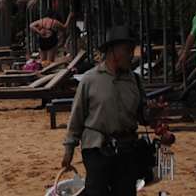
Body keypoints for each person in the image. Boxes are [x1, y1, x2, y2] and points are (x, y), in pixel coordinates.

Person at [61, 26, 148, 196]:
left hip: (127, 149)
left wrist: (153, 113)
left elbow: (143, 116)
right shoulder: (90, 80)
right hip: (97, 149)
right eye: (127, 50)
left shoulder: (135, 80)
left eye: (132, 50)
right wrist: (69, 148)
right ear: (112, 51)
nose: (131, 55)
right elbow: (77, 116)